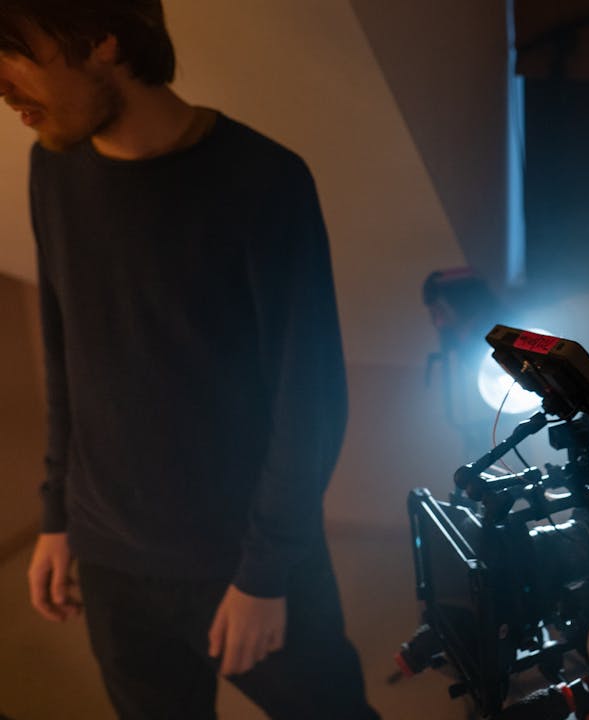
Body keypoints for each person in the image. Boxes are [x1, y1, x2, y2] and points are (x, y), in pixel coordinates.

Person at [2, 1, 379, 717]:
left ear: (101, 39)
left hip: (241, 556)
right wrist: (57, 515)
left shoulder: (262, 181)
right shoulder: (52, 165)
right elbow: (66, 353)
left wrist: (265, 574)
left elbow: (309, 399)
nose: (2, 84)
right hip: (109, 559)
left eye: (14, 51)